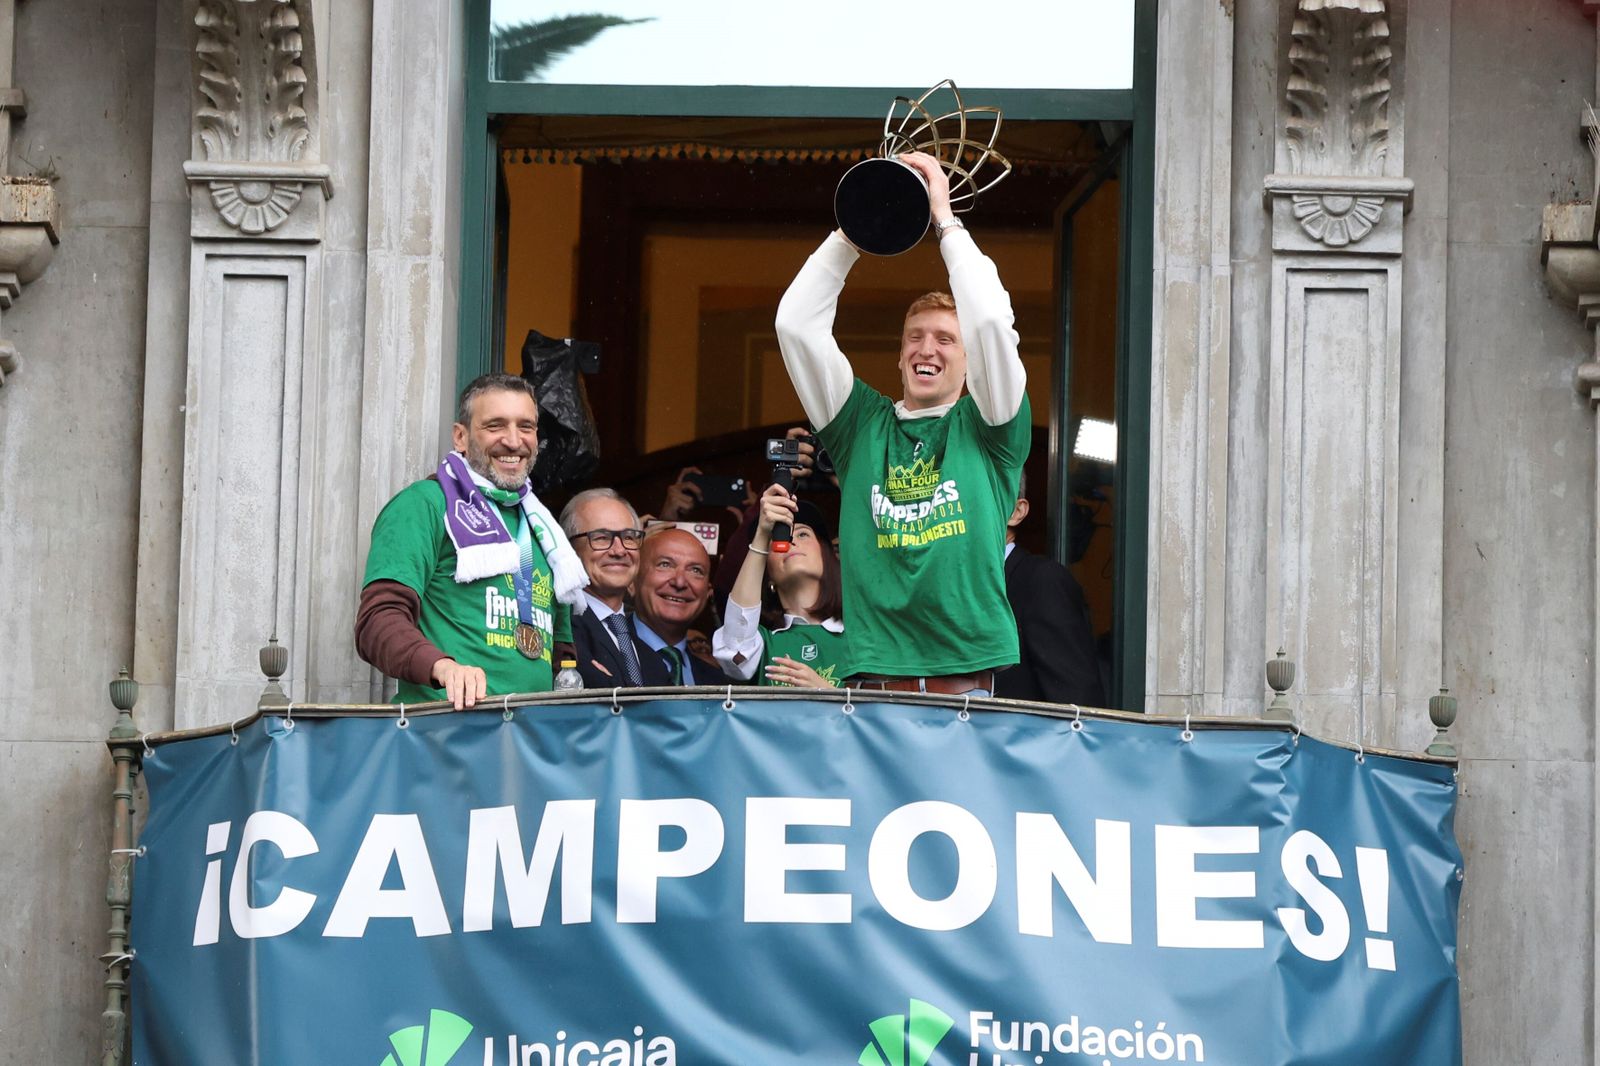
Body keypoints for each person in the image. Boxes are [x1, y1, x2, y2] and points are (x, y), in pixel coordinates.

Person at [774, 150, 1029, 695]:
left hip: (962, 672)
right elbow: (795, 325)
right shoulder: (860, 424)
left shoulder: (992, 424)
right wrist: (856, 227)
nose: (926, 348)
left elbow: (988, 320)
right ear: (898, 356)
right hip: (877, 672)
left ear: (969, 361)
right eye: (914, 336)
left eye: (944, 339)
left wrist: (945, 221)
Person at [355, 374, 589, 708]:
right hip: (445, 736)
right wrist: (443, 668)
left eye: (526, 427)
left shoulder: (545, 530)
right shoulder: (424, 504)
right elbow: (377, 621)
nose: (513, 441)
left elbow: (561, 655)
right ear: (461, 437)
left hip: (530, 744)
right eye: (495, 426)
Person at [713, 483, 848, 688]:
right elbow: (733, 650)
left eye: (803, 534)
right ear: (767, 574)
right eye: (778, 538)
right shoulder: (761, 642)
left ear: (826, 556)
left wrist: (828, 694)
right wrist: (762, 534)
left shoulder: (860, 634)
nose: (791, 541)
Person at [992, 472, 1106, 706]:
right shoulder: (945, 584)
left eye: (980, 496)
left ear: (1016, 512)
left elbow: (1077, 706)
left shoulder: (1042, 580)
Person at [558, 487, 673, 689]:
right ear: (569, 548)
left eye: (629, 537)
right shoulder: (558, 635)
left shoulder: (655, 665)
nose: (619, 551)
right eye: (601, 537)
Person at [632, 528, 736, 686]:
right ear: (632, 582)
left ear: (708, 592)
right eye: (665, 564)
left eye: (696, 570)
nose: (680, 582)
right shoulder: (599, 656)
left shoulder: (717, 682)